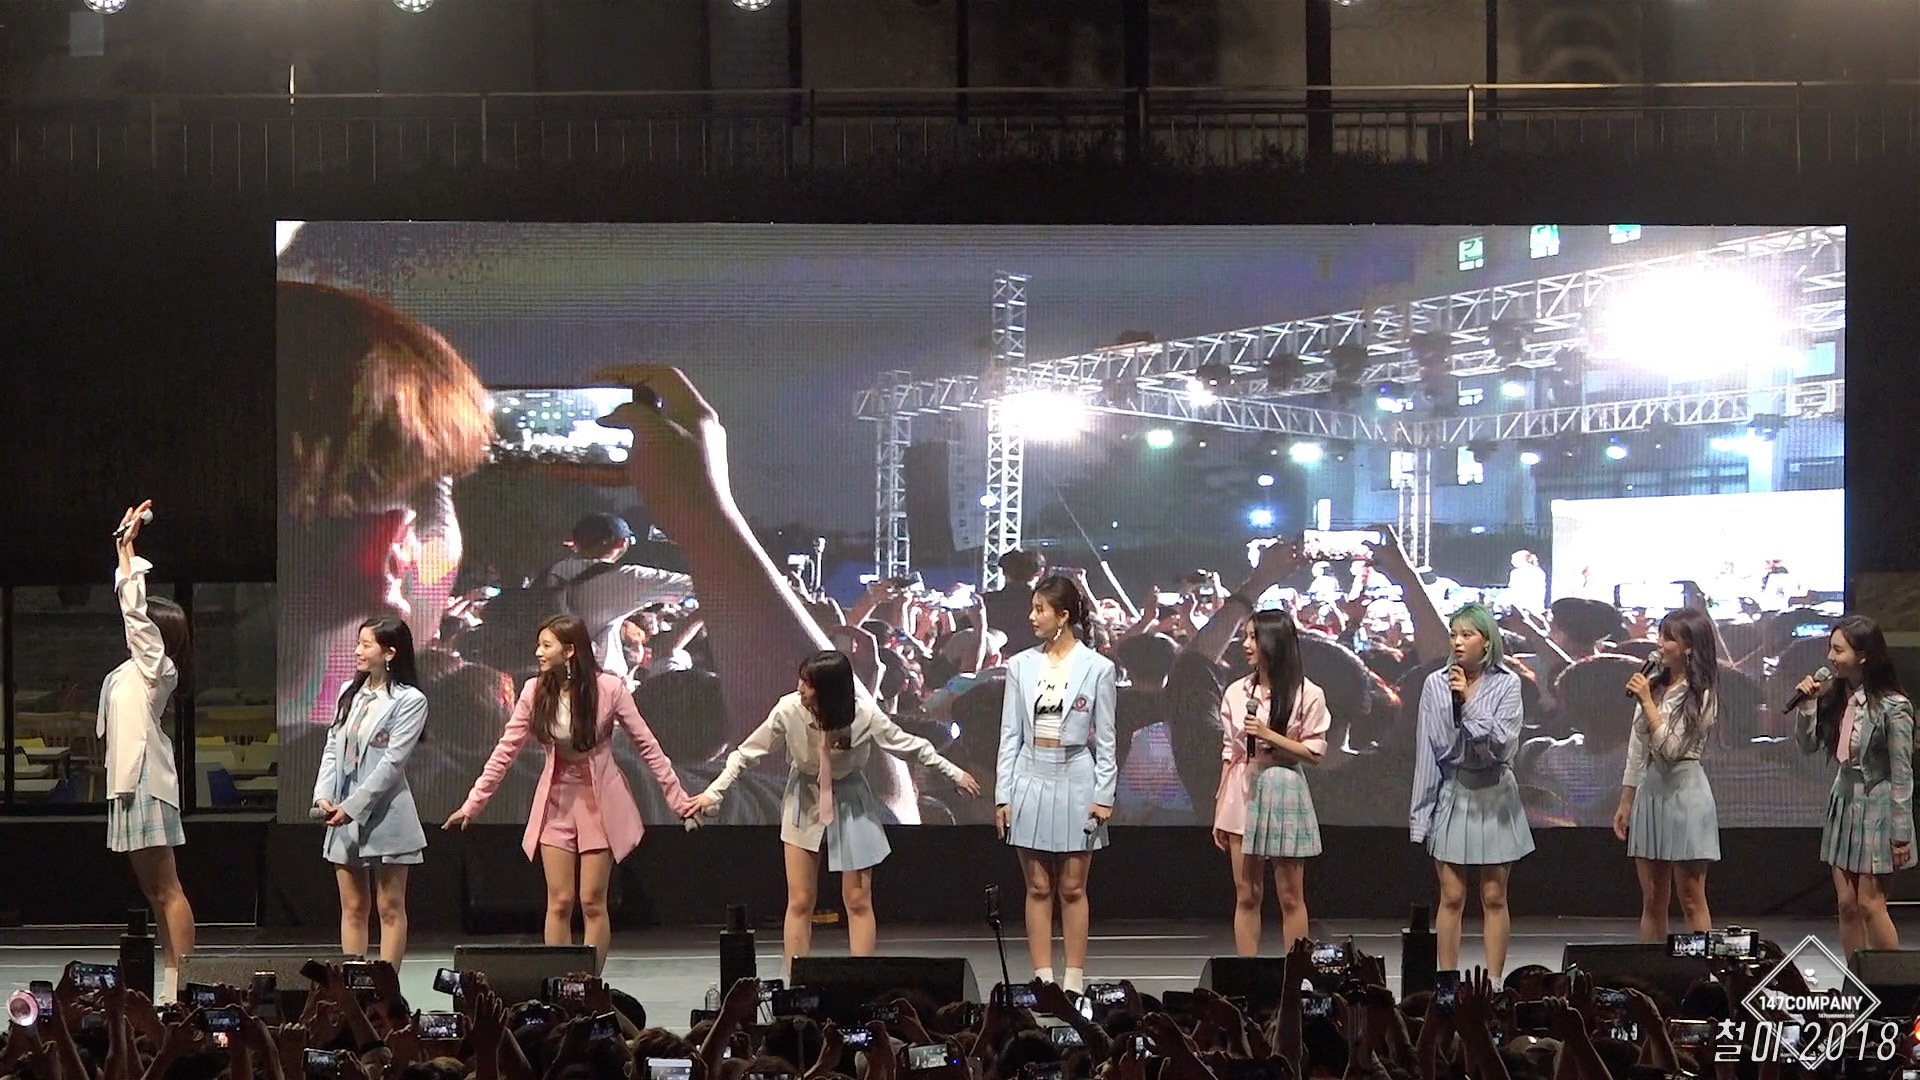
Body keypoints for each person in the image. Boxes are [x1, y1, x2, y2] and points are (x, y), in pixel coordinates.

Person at [685, 651, 979, 974]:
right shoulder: (788, 709)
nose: (801, 688)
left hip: (851, 799)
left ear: (830, 690)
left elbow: (910, 746)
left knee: (857, 899)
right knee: (800, 900)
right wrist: (713, 792)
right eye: (801, 680)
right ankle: (796, 979)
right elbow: (745, 754)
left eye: (809, 684)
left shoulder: (863, 714)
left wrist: (954, 773)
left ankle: (861, 978)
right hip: (804, 797)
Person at [444, 615, 695, 972]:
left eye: (546, 645)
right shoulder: (534, 690)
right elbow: (505, 751)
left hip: (600, 801)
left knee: (592, 901)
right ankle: (561, 983)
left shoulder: (609, 688)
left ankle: (589, 983)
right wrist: (473, 803)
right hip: (557, 803)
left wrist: (679, 800)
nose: (538, 652)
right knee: (559, 901)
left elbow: (648, 746)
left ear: (570, 650)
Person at [994, 575, 1119, 994]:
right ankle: (1043, 977)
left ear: (1063, 616)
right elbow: (1010, 734)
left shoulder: (1098, 668)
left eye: (1040, 609)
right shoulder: (1020, 666)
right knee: (1037, 886)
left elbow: (1107, 737)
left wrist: (1104, 795)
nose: (1032, 617)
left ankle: (1073, 980)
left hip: (1076, 776)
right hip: (1030, 775)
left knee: (1072, 886)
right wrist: (1003, 795)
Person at [100, 500, 197, 1001]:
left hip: (145, 782)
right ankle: (171, 983)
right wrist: (122, 548)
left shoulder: (159, 669)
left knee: (167, 889)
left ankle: (184, 985)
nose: (133, 631)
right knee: (154, 893)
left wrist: (128, 553)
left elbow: (135, 616)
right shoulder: (129, 671)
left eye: (144, 628)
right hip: (125, 784)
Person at [1408, 604, 1532, 977]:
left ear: (1487, 641)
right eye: (1453, 635)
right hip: (1454, 790)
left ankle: (1493, 982)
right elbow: (1428, 752)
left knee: (1493, 895)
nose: (1458, 642)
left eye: (1467, 634)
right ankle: (1447, 981)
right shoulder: (1435, 684)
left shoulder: (1507, 683)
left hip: (1495, 793)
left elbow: (1502, 744)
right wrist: (1420, 817)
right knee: (1452, 895)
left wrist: (1467, 705)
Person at [1212, 610, 1330, 957]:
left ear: (1274, 643)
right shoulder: (1236, 692)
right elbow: (1229, 751)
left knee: (1290, 896)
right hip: (1241, 788)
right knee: (1246, 893)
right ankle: (1248, 972)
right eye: (1245, 637)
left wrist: (1268, 735)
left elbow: (1313, 752)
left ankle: (1297, 973)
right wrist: (1219, 809)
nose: (1246, 645)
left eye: (1254, 637)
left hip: (1283, 784)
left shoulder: (1307, 693)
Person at [1795, 616, 1915, 952]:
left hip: (1877, 804)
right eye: (1830, 649)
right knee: (1847, 904)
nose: (1830, 657)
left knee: (1870, 905)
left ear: (1862, 655)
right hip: (1844, 800)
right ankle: (1856, 978)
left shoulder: (1894, 707)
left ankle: (1891, 980)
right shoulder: (1835, 696)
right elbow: (1807, 746)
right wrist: (1807, 705)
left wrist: (1901, 833)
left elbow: (1902, 772)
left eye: (1838, 650)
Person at [314, 616, 428, 965]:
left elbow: (392, 763)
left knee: (389, 906)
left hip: (386, 813)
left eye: (366, 645)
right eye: (358, 643)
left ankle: (386, 986)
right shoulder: (349, 694)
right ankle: (353, 984)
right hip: (341, 815)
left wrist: (352, 806)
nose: (357, 651)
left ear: (390, 653)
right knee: (353, 906)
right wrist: (323, 796)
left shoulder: (410, 700)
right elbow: (332, 748)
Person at [1614, 607, 1721, 940]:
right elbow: (1637, 747)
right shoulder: (1654, 686)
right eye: (1660, 636)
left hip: (1685, 793)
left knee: (1691, 897)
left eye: (1668, 638)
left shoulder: (1702, 694)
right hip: (1651, 792)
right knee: (1652, 899)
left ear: (1689, 647)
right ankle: (1652, 968)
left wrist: (1648, 702)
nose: (1659, 644)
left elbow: (1673, 748)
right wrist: (1627, 799)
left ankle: (1704, 968)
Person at [538, 514, 693, 685]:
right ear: (622, 544)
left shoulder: (553, 571)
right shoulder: (623, 579)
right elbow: (692, 585)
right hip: (591, 687)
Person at [1505, 551, 1547, 616]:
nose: (1512, 561)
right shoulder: (1539, 571)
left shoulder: (1515, 573)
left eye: (1514, 559)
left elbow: (1513, 591)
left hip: (1521, 607)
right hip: (1537, 607)